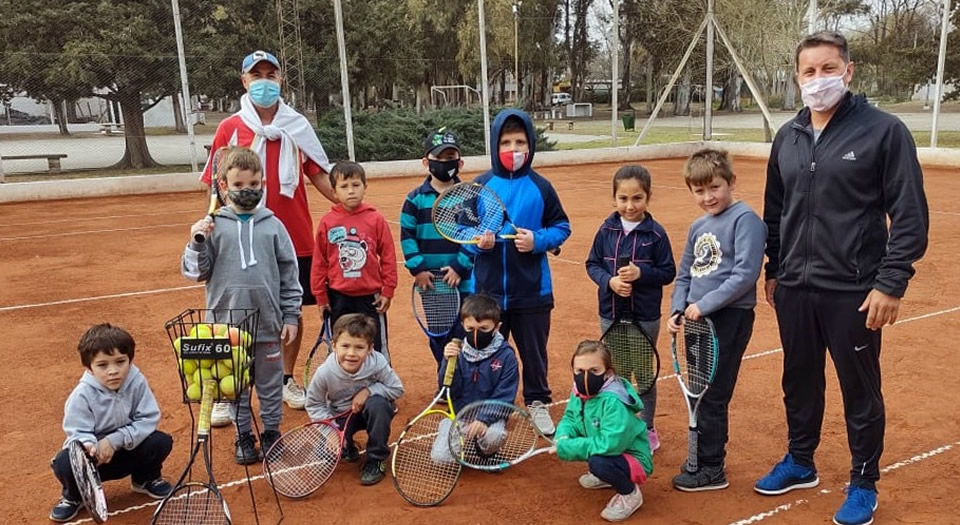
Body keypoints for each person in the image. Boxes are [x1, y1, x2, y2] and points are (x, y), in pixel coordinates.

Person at [757, 31, 928, 525]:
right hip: (794, 288)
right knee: (799, 380)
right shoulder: (787, 137)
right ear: (796, 78)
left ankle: (863, 483)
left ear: (848, 71)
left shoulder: (884, 131)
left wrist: (891, 282)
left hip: (855, 292)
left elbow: (910, 215)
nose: (819, 80)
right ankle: (801, 460)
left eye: (828, 69)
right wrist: (775, 270)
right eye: (809, 72)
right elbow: (775, 211)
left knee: (860, 390)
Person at [199, 50, 337, 416]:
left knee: (292, 307)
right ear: (244, 81)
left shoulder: (297, 126)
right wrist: (212, 223)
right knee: (233, 313)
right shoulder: (231, 128)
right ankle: (228, 390)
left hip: (293, 233)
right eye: (255, 75)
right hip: (240, 233)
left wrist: (344, 205)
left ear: (280, 80)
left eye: (270, 74)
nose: (263, 81)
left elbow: (318, 172)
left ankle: (287, 378)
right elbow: (216, 181)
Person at [183, 146, 302, 464]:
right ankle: (244, 435)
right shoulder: (213, 226)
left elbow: (290, 274)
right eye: (238, 186)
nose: (246, 191)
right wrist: (196, 241)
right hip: (225, 325)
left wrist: (290, 315)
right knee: (234, 385)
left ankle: (271, 433)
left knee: (269, 384)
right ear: (222, 186)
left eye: (253, 184)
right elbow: (195, 272)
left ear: (262, 184)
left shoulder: (273, 226)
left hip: (267, 323)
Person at [667, 148, 766, 492]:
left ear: (731, 182)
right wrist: (678, 309)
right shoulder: (698, 226)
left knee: (713, 393)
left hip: (728, 318)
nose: (708, 197)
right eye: (699, 191)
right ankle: (702, 458)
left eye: (715, 188)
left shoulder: (746, 219)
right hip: (696, 319)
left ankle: (712, 467)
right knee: (698, 392)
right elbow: (684, 274)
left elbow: (745, 274)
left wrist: (703, 305)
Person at [473, 109, 571, 435]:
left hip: (532, 291)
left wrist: (538, 240)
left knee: (534, 353)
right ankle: (492, 408)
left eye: (520, 142)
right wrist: (479, 244)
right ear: (494, 144)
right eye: (505, 142)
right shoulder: (480, 186)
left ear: (530, 145)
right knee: (488, 354)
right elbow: (462, 230)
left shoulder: (541, 187)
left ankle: (538, 402)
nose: (513, 149)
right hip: (488, 293)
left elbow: (562, 226)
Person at [585, 165, 676, 452]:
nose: (629, 205)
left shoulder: (656, 235)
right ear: (614, 198)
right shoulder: (606, 229)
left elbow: (668, 272)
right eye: (623, 199)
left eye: (637, 198)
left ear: (648, 198)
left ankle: (646, 428)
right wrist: (609, 281)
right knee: (618, 372)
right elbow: (593, 264)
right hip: (611, 314)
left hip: (644, 316)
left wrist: (642, 274)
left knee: (643, 374)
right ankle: (622, 424)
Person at [50, 324, 173, 522]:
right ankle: (74, 497)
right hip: (97, 461)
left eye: (120, 362)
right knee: (64, 463)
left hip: (127, 449)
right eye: (103, 365)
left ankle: (144, 479)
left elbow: (148, 418)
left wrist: (114, 441)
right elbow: (77, 432)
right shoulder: (81, 395)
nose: (113, 371)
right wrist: (92, 447)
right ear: (89, 368)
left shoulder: (137, 382)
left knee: (160, 442)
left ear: (130, 361)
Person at [400, 128, 474, 370]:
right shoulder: (415, 199)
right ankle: (446, 379)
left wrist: (459, 267)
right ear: (426, 162)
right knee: (439, 335)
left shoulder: (468, 196)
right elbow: (407, 237)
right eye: (439, 158)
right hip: (432, 282)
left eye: (450, 157)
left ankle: (458, 381)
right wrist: (418, 269)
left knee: (464, 334)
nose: (445, 163)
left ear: (460, 162)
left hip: (463, 282)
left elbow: (472, 238)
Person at [554, 340, 652, 523]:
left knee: (598, 462)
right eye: (579, 371)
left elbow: (611, 445)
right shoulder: (578, 392)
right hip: (609, 449)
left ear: (608, 373)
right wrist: (562, 435)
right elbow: (570, 418)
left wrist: (568, 446)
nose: (585, 377)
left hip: (632, 458)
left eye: (594, 371)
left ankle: (630, 494)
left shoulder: (614, 403)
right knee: (596, 458)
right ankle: (608, 477)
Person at [311, 161, 398, 359]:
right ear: (334, 192)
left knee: (375, 347)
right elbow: (319, 263)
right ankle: (342, 386)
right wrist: (321, 297)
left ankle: (380, 385)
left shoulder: (376, 219)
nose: (351, 191)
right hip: (338, 298)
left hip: (371, 298)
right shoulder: (327, 222)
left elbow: (388, 257)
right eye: (344, 186)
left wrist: (388, 290)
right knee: (342, 346)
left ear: (365, 187)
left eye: (356, 185)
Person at [305, 314, 404, 485]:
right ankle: (347, 444)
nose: (351, 353)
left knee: (379, 405)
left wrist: (368, 391)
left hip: (370, 411)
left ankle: (376, 459)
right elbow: (314, 403)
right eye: (345, 346)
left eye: (359, 347)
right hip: (341, 414)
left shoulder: (377, 362)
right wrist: (331, 432)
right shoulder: (325, 372)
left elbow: (396, 388)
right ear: (334, 346)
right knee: (325, 456)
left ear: (370, 348)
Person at [430, 294, 519, 463]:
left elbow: (505, 396)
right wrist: (447, 363)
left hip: (490, 418)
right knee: (440, 457)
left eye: (484, 329)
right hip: (460, 415)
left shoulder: (506, 356)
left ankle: (485, 451)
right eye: (470, 329)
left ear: (497, 327)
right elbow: (447, 389)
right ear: (463, 325)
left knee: (494, 436)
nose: (476, 334)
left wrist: (483, 419)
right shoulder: (456, 351)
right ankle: (456, 435)